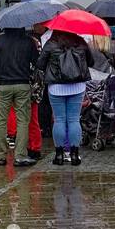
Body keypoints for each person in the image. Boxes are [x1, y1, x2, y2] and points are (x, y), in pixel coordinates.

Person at [39, 29, 103, 166]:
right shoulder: (80, 42)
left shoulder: (51, 43)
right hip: (77, 86)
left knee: (59, 120)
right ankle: (75, 155)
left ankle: (59, 155)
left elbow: (40, 64)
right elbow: (91, 62)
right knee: (74, 120)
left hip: (56, 87)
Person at [0, 25, 38, 167]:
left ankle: (1, 155)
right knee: (23, 120)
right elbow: (36, 63)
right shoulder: (28, 41)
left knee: (1, 120)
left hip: (3, 84)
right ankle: (20, 155)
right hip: (22, 84)